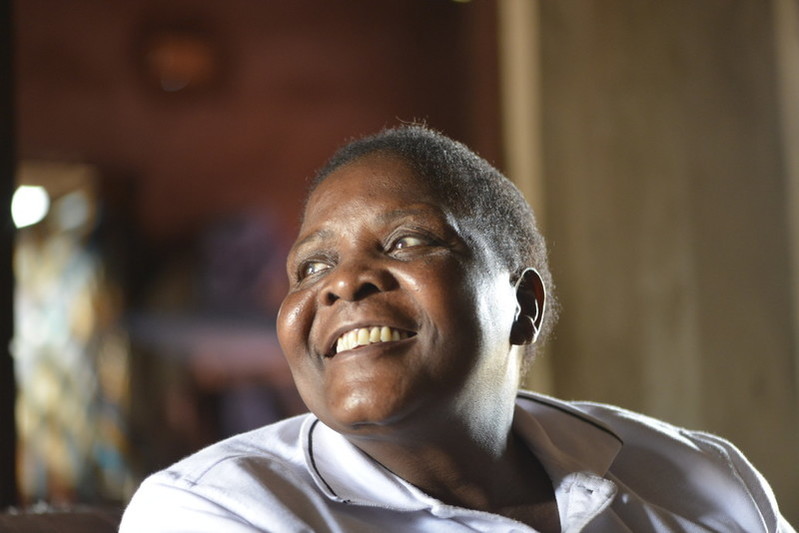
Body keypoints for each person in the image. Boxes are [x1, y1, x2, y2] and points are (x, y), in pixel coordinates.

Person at [120, 125, 793, 532]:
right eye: (311, 264)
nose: (341, 282)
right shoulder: (217, 511)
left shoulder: (701, 479)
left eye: (407, 240)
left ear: (522, 304)